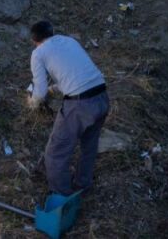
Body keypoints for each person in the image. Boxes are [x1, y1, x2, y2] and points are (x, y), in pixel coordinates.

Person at [28, 20, 110, 198]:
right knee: (89, 146)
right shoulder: (69, 41)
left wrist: (33, 103)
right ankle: (83, 186)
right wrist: (55, 88)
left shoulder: (38, 53)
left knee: (55, 153)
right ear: (52, 32)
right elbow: (77, 73)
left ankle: (62, 197)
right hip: (102, 97)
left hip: (80, 105)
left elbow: (39, 92)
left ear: (34, 40)